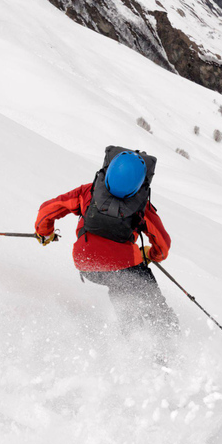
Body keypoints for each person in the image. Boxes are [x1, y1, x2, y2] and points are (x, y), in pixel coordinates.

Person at [35, 146, 179, 361]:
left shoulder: (88, 193)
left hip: (87, 266)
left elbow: (48, 209)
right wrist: (152, 254)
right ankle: (166, 345)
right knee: (147, 298)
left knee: (122, 292)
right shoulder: (141, 208)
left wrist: (44, 233)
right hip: (124, 269)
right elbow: (163, 244)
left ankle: (131, 343)